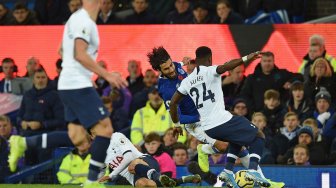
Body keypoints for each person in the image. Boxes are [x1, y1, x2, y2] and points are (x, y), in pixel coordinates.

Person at [9, 1, 127, 188]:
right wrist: (106, 75)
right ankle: (91, 182)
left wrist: (78, 71)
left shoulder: (75, 18)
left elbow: (62, 51)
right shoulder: (85, 22)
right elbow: (79, 54)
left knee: (77, 136)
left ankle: (23, 142)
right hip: (77, 84)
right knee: (105, 129)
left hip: (69, 83)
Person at [147, 46, 282, 187]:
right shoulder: (166, 90)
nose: (171, 69)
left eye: (170, 64)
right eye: (167, 69)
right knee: (225, 146)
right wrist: (186, 121)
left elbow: (182, 65)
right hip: (194, 122)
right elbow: (177, 114)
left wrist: (187, 62)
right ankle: (205, 151)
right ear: (159, 71)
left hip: (208, 113)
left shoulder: (176, 66)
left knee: (239, 144)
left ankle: (263, 181)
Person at [98, 132, 200, 187]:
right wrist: (101, 176)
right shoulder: (102, 156)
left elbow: (129, 157)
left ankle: (156, 176)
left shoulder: (117, 138)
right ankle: (183, 180)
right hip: (134, 178)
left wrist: (112, 174)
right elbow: (101, 169)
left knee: (132, 165)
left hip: (142, 161)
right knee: (145, 185)